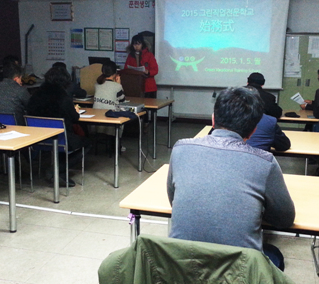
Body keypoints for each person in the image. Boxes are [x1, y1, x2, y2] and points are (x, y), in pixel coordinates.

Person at [167, 87, 295, 270]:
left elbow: (173, 200)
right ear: (253, 131)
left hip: (182, 269)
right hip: (238, 276)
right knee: (275, 255)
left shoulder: (181, 149)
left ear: (213, 119)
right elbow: (284, 219)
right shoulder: (265, 162)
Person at [27, 67, 91, 187]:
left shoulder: (36, 95)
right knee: (87, 143)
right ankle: (57, 169)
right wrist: (76, 111)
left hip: (37, 139)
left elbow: (29, 111)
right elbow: (75, 119)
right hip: (61, 138)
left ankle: (59, 173)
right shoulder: (63, 97)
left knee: (64, 139)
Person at [124, 34, 158, 98]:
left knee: (149, 104)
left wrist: (148, 72)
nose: (136, 46)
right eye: (134, 44)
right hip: (134, 85)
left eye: (138, 44)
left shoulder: (149, 55)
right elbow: (126, 69)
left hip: (148, 86)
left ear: (142, 44)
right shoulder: (130, 56)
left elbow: (155, 70)